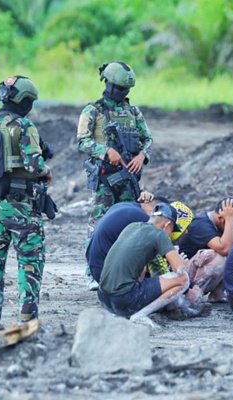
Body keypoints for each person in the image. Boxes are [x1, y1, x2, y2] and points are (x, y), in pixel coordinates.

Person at [0, 75, 52, 330]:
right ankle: (27, 320)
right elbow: (34, 165)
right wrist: (45, 170)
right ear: (24, 100)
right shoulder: (24, 126)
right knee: (29, 261)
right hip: (22, 207)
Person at [77, 61, 153, 291]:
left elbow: (147, 139)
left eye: (125, 89)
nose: (121, 92)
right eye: (117, 87)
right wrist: (105, 151)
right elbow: (83, 141)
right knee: (99, 223)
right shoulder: (93, 110)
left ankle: (126, 269)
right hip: (105, 178)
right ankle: (92, 271)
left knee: (130, 223)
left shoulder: (133, 111)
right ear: (107, 83)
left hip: (129, 176)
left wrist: (142, 156)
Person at [98, 203, 190, 324]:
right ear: (167, 225)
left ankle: (127, 313)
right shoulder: (160, 233)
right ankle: (140, 315)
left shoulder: (131, 227)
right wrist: (181, 260)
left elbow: (140, 271)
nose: (171, 234)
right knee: (183, 279)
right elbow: (180, 269)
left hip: (104, 299)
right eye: (172, 230)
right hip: (123, 300)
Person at [177, 197, 233, 302]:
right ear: (221, 218)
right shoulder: (200, 223)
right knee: (219, 257)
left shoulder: (228, 225)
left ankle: (217, 293)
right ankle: (192, 296)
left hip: (201, 273)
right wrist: (229, 220)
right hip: (184, 275)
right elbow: (224, 249)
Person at [86, 195, 169, 283]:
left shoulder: (124, 206)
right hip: (107, 276)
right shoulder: (143, 219)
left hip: (96, 268)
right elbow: (157, 262)